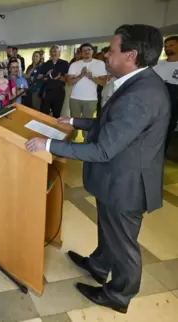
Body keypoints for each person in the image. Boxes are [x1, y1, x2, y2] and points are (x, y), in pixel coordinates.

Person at [25, 24, 170, 314]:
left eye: (112, 50)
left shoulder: (140, 95)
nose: (106, 55)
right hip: (117, 176)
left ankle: (120, 293)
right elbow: (111, 127)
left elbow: (103, 149)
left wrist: (49, 146)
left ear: (131, 55)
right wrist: (76, 122)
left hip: (126, 183)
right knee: (108, 229)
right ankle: (99, 264)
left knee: (123, 242)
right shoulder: (136, 83)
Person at [66, 43, 107, 139]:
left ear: (93, 51)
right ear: (80, 53)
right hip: (75, 98)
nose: (86, 52)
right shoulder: (75, 65)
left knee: (88, 124)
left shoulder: (99, 64)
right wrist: (80, 76)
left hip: (91, 99)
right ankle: (71, 140)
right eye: (84, 50)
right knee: (73, 122)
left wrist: (91, 76)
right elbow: (69, 82)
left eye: (88, 49)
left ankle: (86, 142)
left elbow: (103, 82)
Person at [153, 35, 178, 153]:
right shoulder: (158, 65)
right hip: (155, 101)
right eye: (166, 46)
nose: (168, 48)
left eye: (172, 45)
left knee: (166, 129)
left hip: (173, 102)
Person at [38, 45, 70, 118]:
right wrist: (46, 75)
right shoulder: (45, 64)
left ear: (59, 53)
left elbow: (67, 79)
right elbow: (39, 78)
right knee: (44, 114)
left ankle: (54, 128)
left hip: (59, 92)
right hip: (47, 92)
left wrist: (60, 78)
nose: (53, 53)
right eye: (51, 52)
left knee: (56, 114)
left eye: (55, 51)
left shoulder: (65, 64)